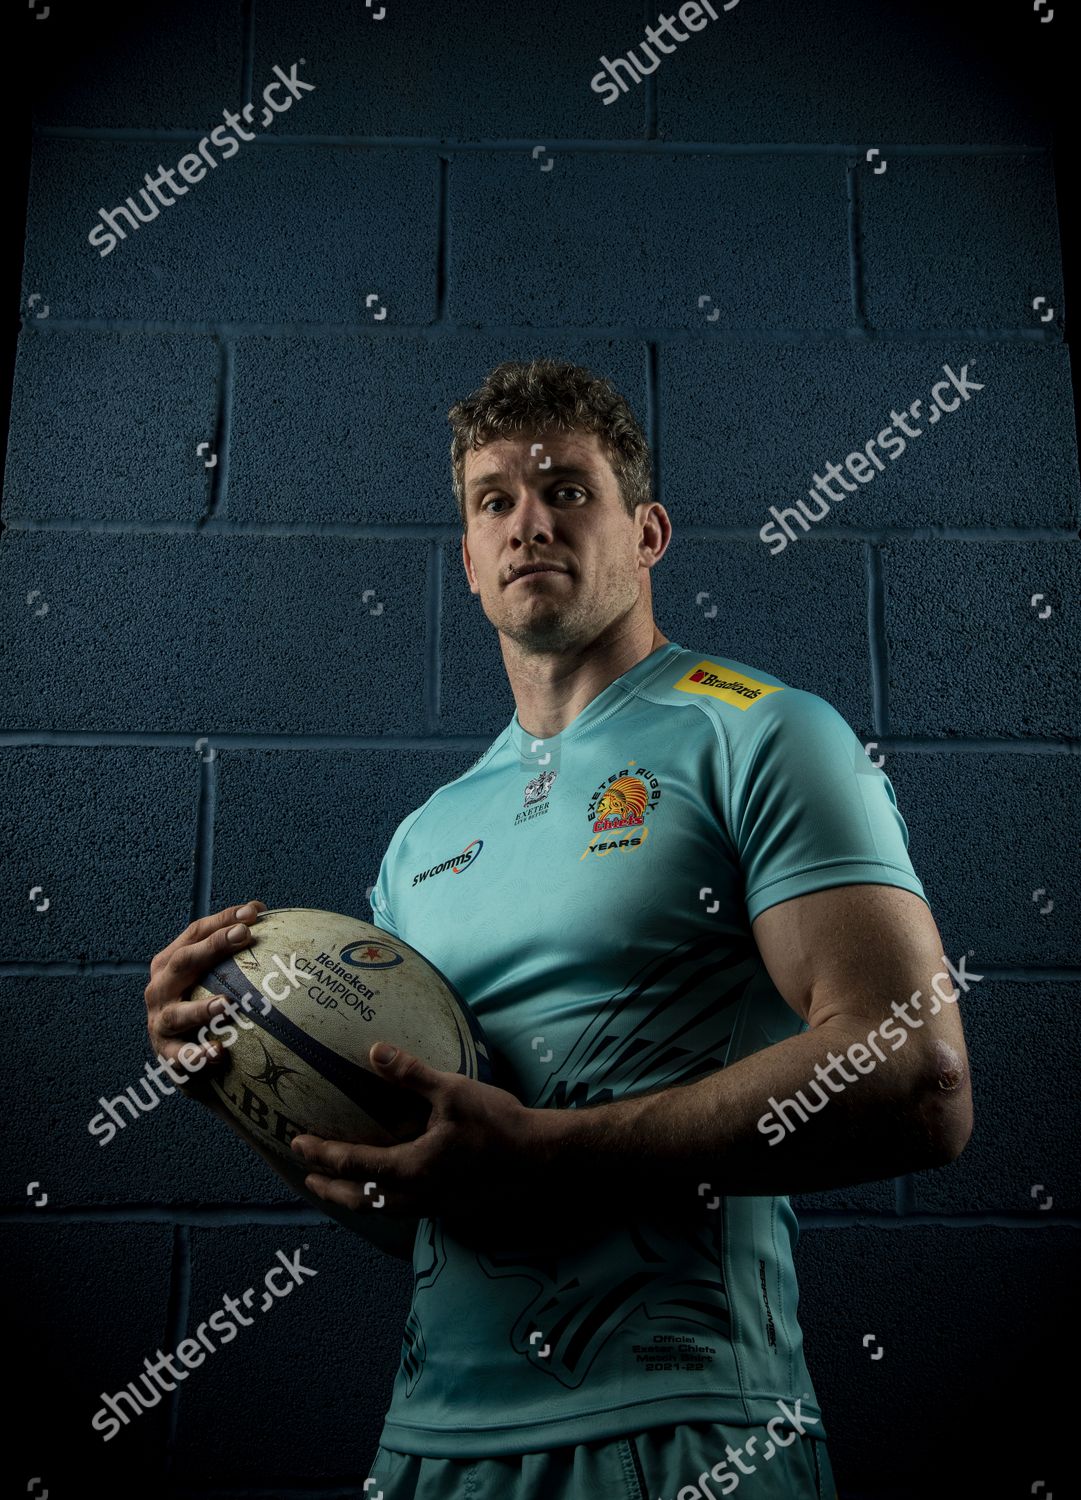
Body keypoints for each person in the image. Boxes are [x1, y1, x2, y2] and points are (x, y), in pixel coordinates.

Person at [144, 358, 972, 1500]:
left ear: (647, 533)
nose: (528, 521)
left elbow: (919, 1079)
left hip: (685, 1432)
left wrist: (553, 1153)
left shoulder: (762, 735)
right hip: (429, 1450)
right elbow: (434, 1206)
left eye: (567, 490)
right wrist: (247, 1083)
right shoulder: (421, 840)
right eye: (494, 501)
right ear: (471, 564)